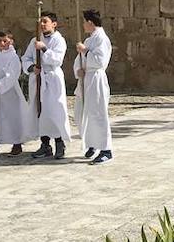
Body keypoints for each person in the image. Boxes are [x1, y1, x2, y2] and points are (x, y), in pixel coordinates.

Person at [22, 11, 72, 160]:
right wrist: (32, 67)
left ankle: (59, 143)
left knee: (54, 111)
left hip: (52, 79)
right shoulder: (34, 40)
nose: (42, 25)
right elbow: (26, 58)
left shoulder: (59, 40)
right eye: (41, 22)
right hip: (39, 79)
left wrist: (44, 48)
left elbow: (57, 60)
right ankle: (45, 145)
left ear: (54, 24)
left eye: (45, 21)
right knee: (40, 111)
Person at [74, 9, 113, 165]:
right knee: (82, 113)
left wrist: (85, 51)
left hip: (96, 79)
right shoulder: (90, 39)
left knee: (98, 113)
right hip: (86, 79)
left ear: (90, 22)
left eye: (84, 22)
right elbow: (79, 60)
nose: (83, 25)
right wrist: (79, 70)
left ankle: (106, 149)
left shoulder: (102, 39)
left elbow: (100, 61)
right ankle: (92, 142)